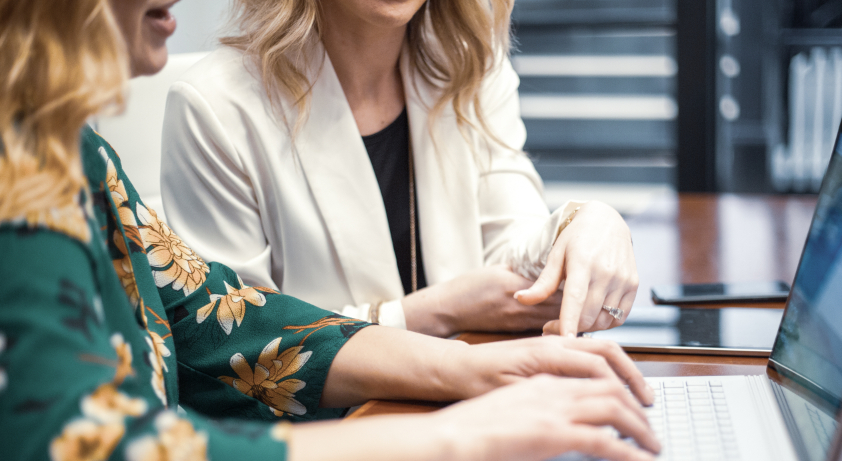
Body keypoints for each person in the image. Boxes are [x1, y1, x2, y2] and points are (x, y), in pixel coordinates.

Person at [0, 1, 659, 461]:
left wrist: (468, 368)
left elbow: (226, 322)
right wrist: (464, 440)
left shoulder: (75, 157)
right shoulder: (15, 177)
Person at [159, 0, 639, 338]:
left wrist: (588, 223)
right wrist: (434, 314)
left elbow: (513, 254)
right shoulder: (215, 105)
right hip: (332, 445)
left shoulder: (470, 61)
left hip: (475, 412)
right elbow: (240, 347)